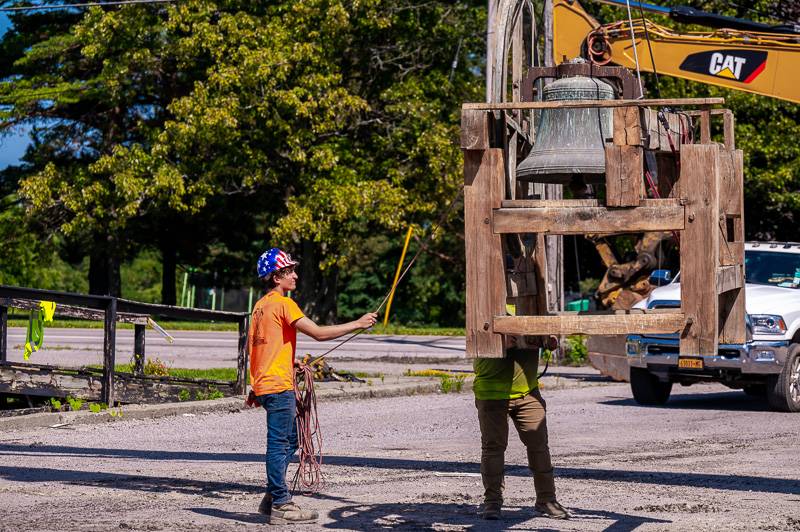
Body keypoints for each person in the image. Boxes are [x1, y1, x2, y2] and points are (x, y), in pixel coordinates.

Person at [248, 247, 377, 525]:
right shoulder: (284, 304)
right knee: (279, 443)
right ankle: (281, 503)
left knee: (292, 439)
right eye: (289, 271)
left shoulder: (260, 307)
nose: (295, 275)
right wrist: (358, 323)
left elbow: (260, 348)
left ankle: (272, 496)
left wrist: (266, 377)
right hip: (278, 387)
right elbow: (318, 333)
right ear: (275, 277)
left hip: (267, 383)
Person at [473, 346, 569, 521]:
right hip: (491, 390)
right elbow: (478, 337)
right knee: (493, 447)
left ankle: (546, 500)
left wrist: (548, 339)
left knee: (538, 444)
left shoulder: (531, 316)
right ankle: (492, 501)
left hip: (527, 392)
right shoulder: (482, 316)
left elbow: (543, 335)